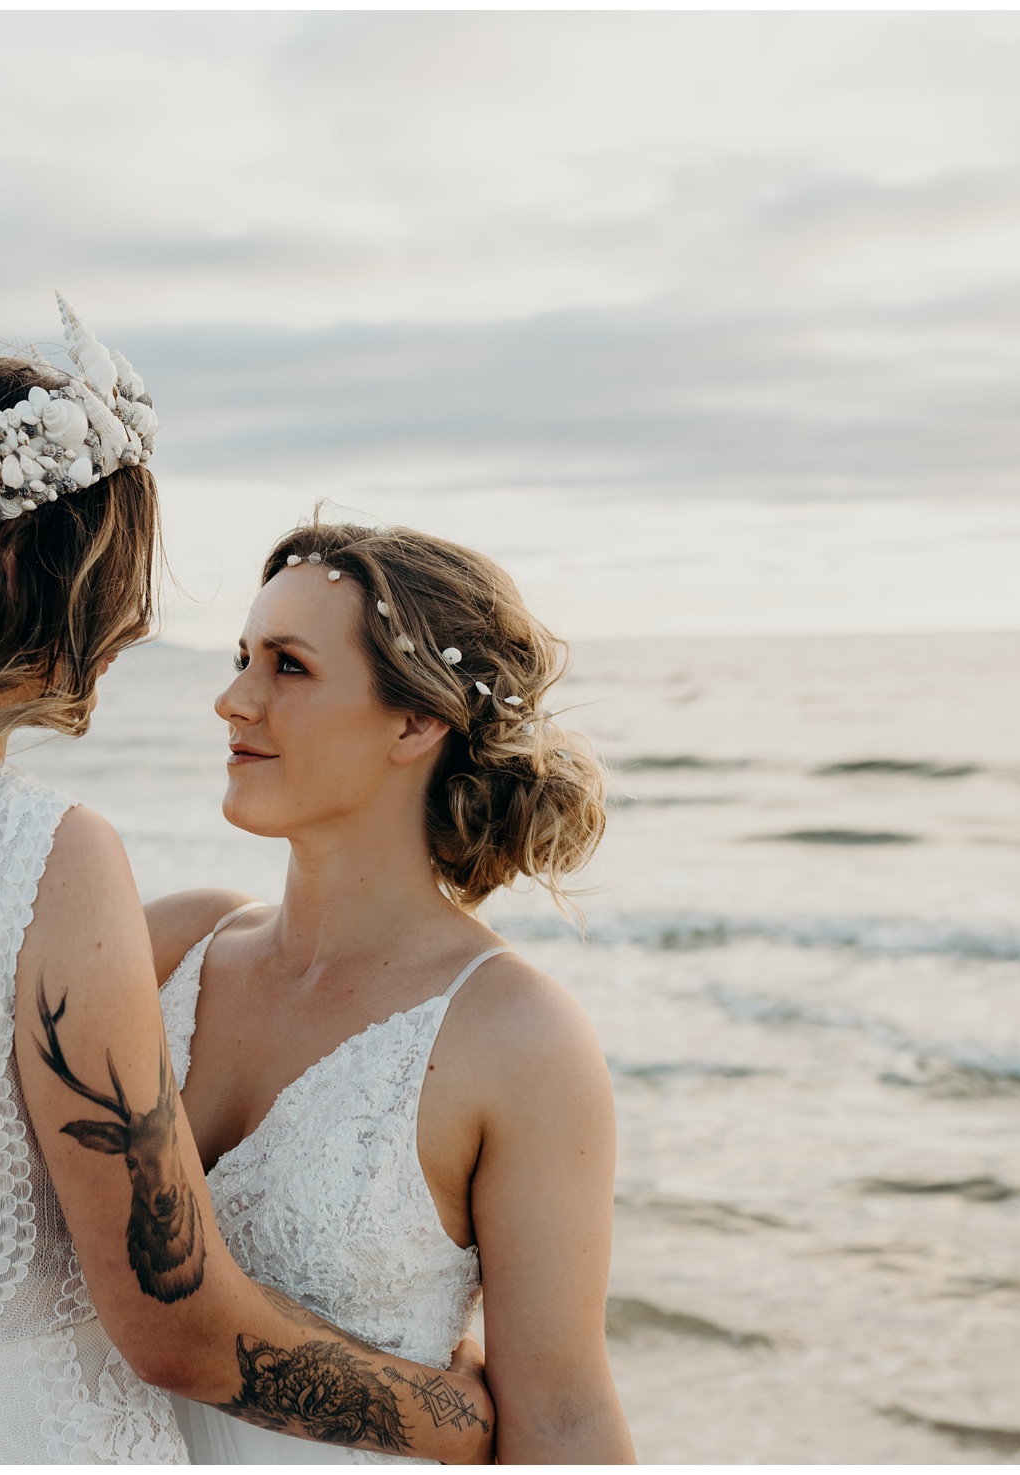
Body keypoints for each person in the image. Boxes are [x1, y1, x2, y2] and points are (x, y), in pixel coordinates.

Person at [0, 301, 496, 1462]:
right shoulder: (44, 856)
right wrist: (455, 1415)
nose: (130, 616)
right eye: (120, 559)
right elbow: (173, 1323)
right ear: (25, 562)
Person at [147, 522, 636, 1463]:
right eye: (243, 658)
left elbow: (563, 1413)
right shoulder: (173, 945)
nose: (233, 699)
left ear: (415, 723)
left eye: (289, 666)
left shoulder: (513, 1033)